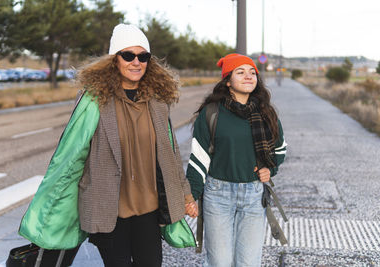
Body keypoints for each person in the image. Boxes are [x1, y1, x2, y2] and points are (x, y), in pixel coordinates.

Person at [19, 24, 196, 267]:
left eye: (143, 56)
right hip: (107, 208)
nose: (136, 62)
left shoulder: (157, 102)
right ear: (115, 59)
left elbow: (171, 154)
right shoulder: (93, 101)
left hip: (149, 209)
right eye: (128, 55)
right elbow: (71, 156)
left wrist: (186, 194)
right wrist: (51, 207)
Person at [185, 53, 287, 267]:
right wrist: (191, 195)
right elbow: (199, 159)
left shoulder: (266, 113)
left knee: (248, 262)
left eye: (252, 72)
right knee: (219, 262)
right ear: (228, 81)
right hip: (217, 195)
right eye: (240, 72)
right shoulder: (211, 113)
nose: (248, 76)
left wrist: (270, 167)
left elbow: (279, 148)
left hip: (253, 195)